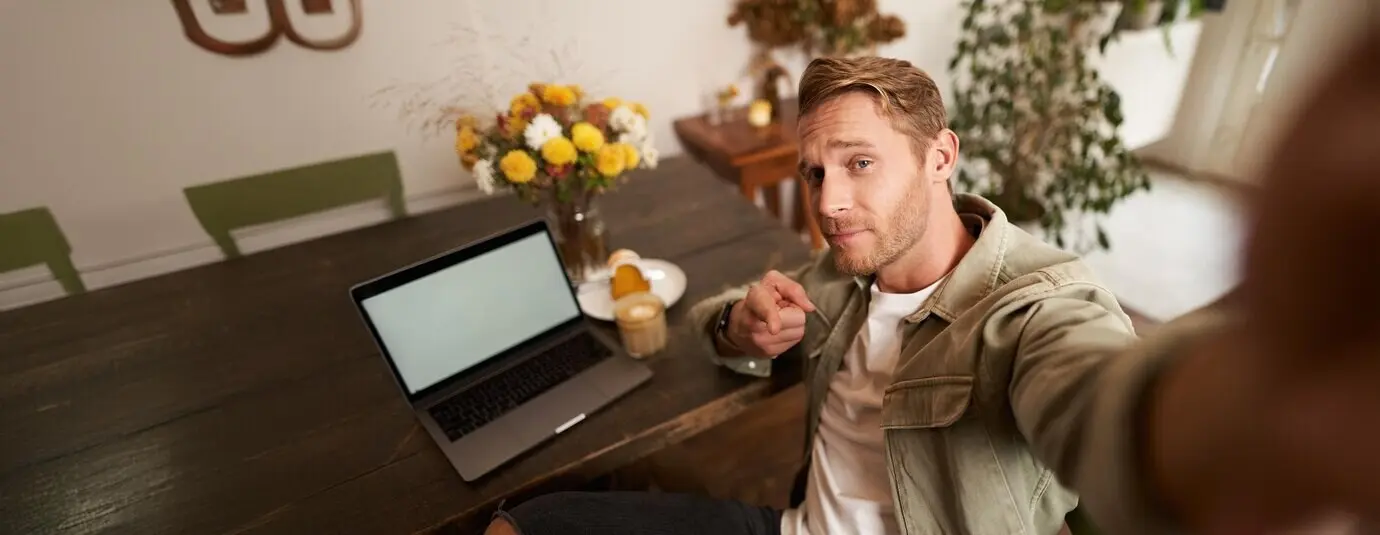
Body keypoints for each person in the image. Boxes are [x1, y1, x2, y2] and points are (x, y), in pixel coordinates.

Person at [487, 26, 1380, 535]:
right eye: (813, 173)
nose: (829, 202)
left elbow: (1100, 400)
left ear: (940, 156)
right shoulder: (848, 271)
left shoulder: (1031, 308)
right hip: (793, 530)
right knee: (533, 524)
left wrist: (1265, 393)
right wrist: (738, 325)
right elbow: (731, 320)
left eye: (860, 163)